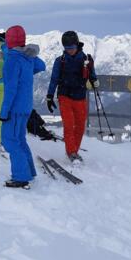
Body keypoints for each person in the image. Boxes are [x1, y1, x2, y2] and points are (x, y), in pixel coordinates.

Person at [0, 25, 46, 189]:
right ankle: (29, 172)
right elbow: (41, 65)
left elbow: (10, 89)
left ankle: (21, 177)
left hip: (14, 108)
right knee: (20, 139)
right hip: (26, 107)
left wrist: (4, 111)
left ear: (8, 41)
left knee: (10, 141)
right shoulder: (27, 58)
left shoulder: (12, 60)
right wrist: (28, 50)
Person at [46, 31, 97, 164]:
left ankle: (75, 151)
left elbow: (92, 75)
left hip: (80, 97)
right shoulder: (60, 61)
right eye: (67, 48)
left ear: (77, 45)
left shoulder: (85, 60)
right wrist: (49, 96)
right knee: (69, 125)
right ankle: (71, 153)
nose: (69, 51)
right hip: (65, 96)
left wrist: (94, 80)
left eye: (72, 48)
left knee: (80, 126)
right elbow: (54, 79)